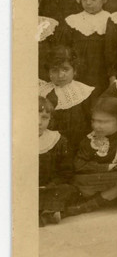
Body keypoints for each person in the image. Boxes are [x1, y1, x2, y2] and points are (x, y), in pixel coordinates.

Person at [70, 96, 117, 215]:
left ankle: (88, 206)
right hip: (103, 178)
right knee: (77, 179)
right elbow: (80, 165)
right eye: (94, 120)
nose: (97, 126)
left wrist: (97, 168)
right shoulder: (89, 140)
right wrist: (107, 167)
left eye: (104, 122)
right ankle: (109, 196)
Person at [40, 45, 95, 154]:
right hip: (51, 147)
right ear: (48, 71)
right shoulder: (42, 92)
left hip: (78, 146)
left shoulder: (85, 93)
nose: (60, 75)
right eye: (55, 70)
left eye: (65, 69)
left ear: (74, 71)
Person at [38, 96, 77, 225]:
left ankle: (45, 211)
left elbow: (65, 172)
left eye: (44, 118)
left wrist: (52, 185)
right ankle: (48, 212)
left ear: (50, 119)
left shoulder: (58, 140)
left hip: (50, 187)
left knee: (68, 189)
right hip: (26, 188)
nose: (38, 122)